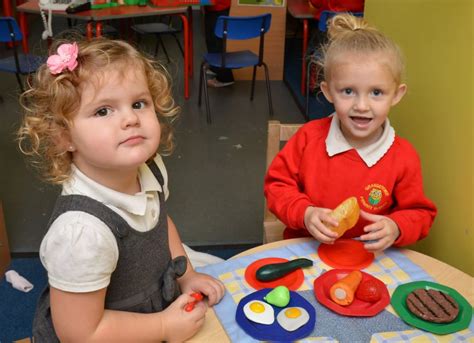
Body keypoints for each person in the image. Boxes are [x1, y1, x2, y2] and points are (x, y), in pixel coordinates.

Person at [18, 38, 225, 342]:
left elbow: (159, 222)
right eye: (103, 111)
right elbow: (81, 333)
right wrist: (164, 327)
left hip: (150, 314)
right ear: (63, 137)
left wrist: (187, 275)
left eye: (139, 104)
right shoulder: (82, 233)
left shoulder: (149, 168)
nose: (130, 118)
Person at [264, 14, 437, 252]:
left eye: (376, 92)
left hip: (370, 257)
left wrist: (397, 226)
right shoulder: (308, 138)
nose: (362, 105)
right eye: (348, 91)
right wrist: (305, 213)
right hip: (307, 249)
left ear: (396, 95)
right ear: (328, 91)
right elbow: (276, 187)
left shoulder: (403, 156)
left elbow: (420, 213)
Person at [203, 0, 235, 88]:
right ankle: (215, 67)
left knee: (216, 41)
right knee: (211, 40)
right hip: (214, 7)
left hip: (219, 6)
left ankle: (225, 78)